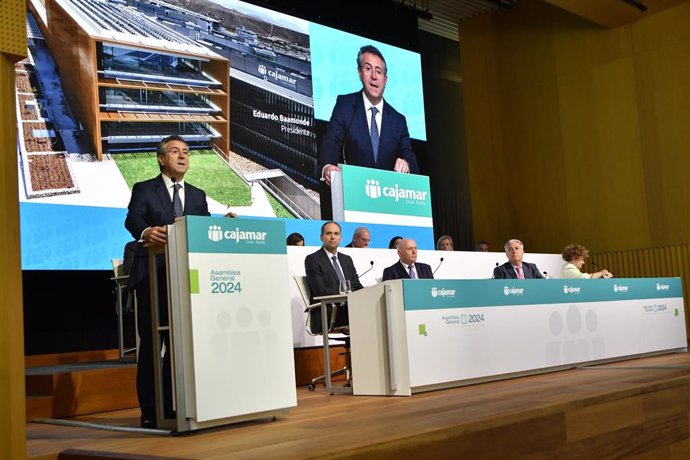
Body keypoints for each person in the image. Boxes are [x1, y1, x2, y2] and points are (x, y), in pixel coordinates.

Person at [125, 135, 211, 429]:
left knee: (181, 343)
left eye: (186, 152)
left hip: (187, 278)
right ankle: (151, 409)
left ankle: (175, 405)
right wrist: (147, 232)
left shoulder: (198, 195)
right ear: (161, 159)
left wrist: (221, 224)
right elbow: (133, 220)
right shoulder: (145, 189)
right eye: (175, 151)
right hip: (154, 275)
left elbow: (204, 228)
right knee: (153, 343)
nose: (182, 156)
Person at [318, 45, 419, 218]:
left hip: (388, 205)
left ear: (385, 79)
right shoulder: (346, 105)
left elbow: (409, 155)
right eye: (368, 68)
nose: (374, 76)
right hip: (352, 199)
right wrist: (327, 167)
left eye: (378, 71)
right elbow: (331, 141)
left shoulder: (398, 120)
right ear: (359, 73)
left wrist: (407, 165)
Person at [304, 221, 364, 301]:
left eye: (336, 234)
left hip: (350, 306)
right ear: (321, 237)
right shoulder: (313, 259)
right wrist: (346, 295)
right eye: (328, 233)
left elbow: (356, 285)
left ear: (340, 238)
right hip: (329, 308)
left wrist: (367, 292)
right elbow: (320, 291)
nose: (333, 237)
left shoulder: (347, 259)